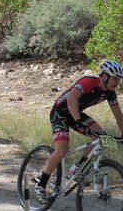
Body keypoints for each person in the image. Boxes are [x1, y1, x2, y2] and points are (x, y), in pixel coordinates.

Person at [34, 60, 123, 204]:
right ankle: (41, 184)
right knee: (62, 150)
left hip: (77, 114)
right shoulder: (89, 82)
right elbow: (72, 97)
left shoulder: (110, 93)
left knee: (100, 135)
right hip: (61, 112)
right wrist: (77, 120)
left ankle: (77, 167)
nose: (117, 83)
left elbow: (118, 116)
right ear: (105, 77)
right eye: (115, 79)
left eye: (119, 80)